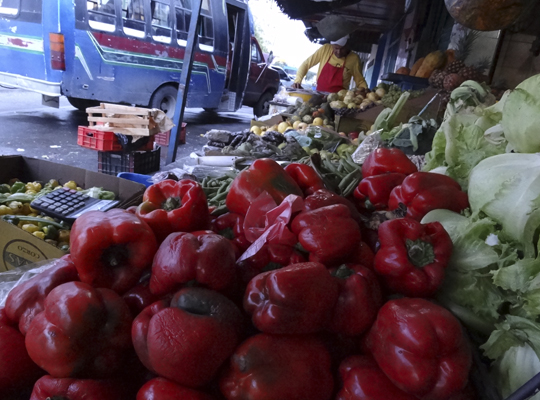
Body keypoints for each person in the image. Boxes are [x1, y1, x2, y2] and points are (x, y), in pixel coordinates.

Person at [292, 35, 368, 93]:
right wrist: (298, 80)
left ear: (347, 46)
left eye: (342, 49)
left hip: (339, 100)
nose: (338, 52)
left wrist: (366, 91)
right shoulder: (325, 49)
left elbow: (360, 81)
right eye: (336, 48)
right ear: (332, 46)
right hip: (319, 94)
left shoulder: (354, 59)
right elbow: (306, 64)